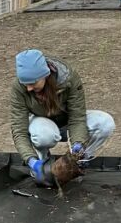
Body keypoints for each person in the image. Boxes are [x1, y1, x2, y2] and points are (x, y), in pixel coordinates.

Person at [10, 50, 115, 184]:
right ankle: (41, 165)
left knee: (105, 123)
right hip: (43, 125)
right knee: (43, 134)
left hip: (67, 123)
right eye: (26, 84)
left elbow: (77, 118)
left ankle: (78, 162)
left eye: (32, 83)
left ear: (45, 75)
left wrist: (78, 144)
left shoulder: (68, 79)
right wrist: (30, 159)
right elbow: (19, 130)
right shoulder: (19, 88)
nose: (29, 88)